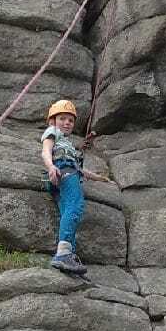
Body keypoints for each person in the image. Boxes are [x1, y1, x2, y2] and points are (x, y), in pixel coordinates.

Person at [39, 99, 108, 274]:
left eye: (70, 120)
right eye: (62, 118)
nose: (67, 122)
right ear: (52, 121)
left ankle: (68, 257)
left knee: (67, 213)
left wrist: (100, 178)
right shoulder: (52, 132)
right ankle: (63, 254)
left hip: (64, 174)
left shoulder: (67, 144)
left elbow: (80, 169)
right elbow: (46, 151)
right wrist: (50, 167)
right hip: (63, 172)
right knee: (75, 206)